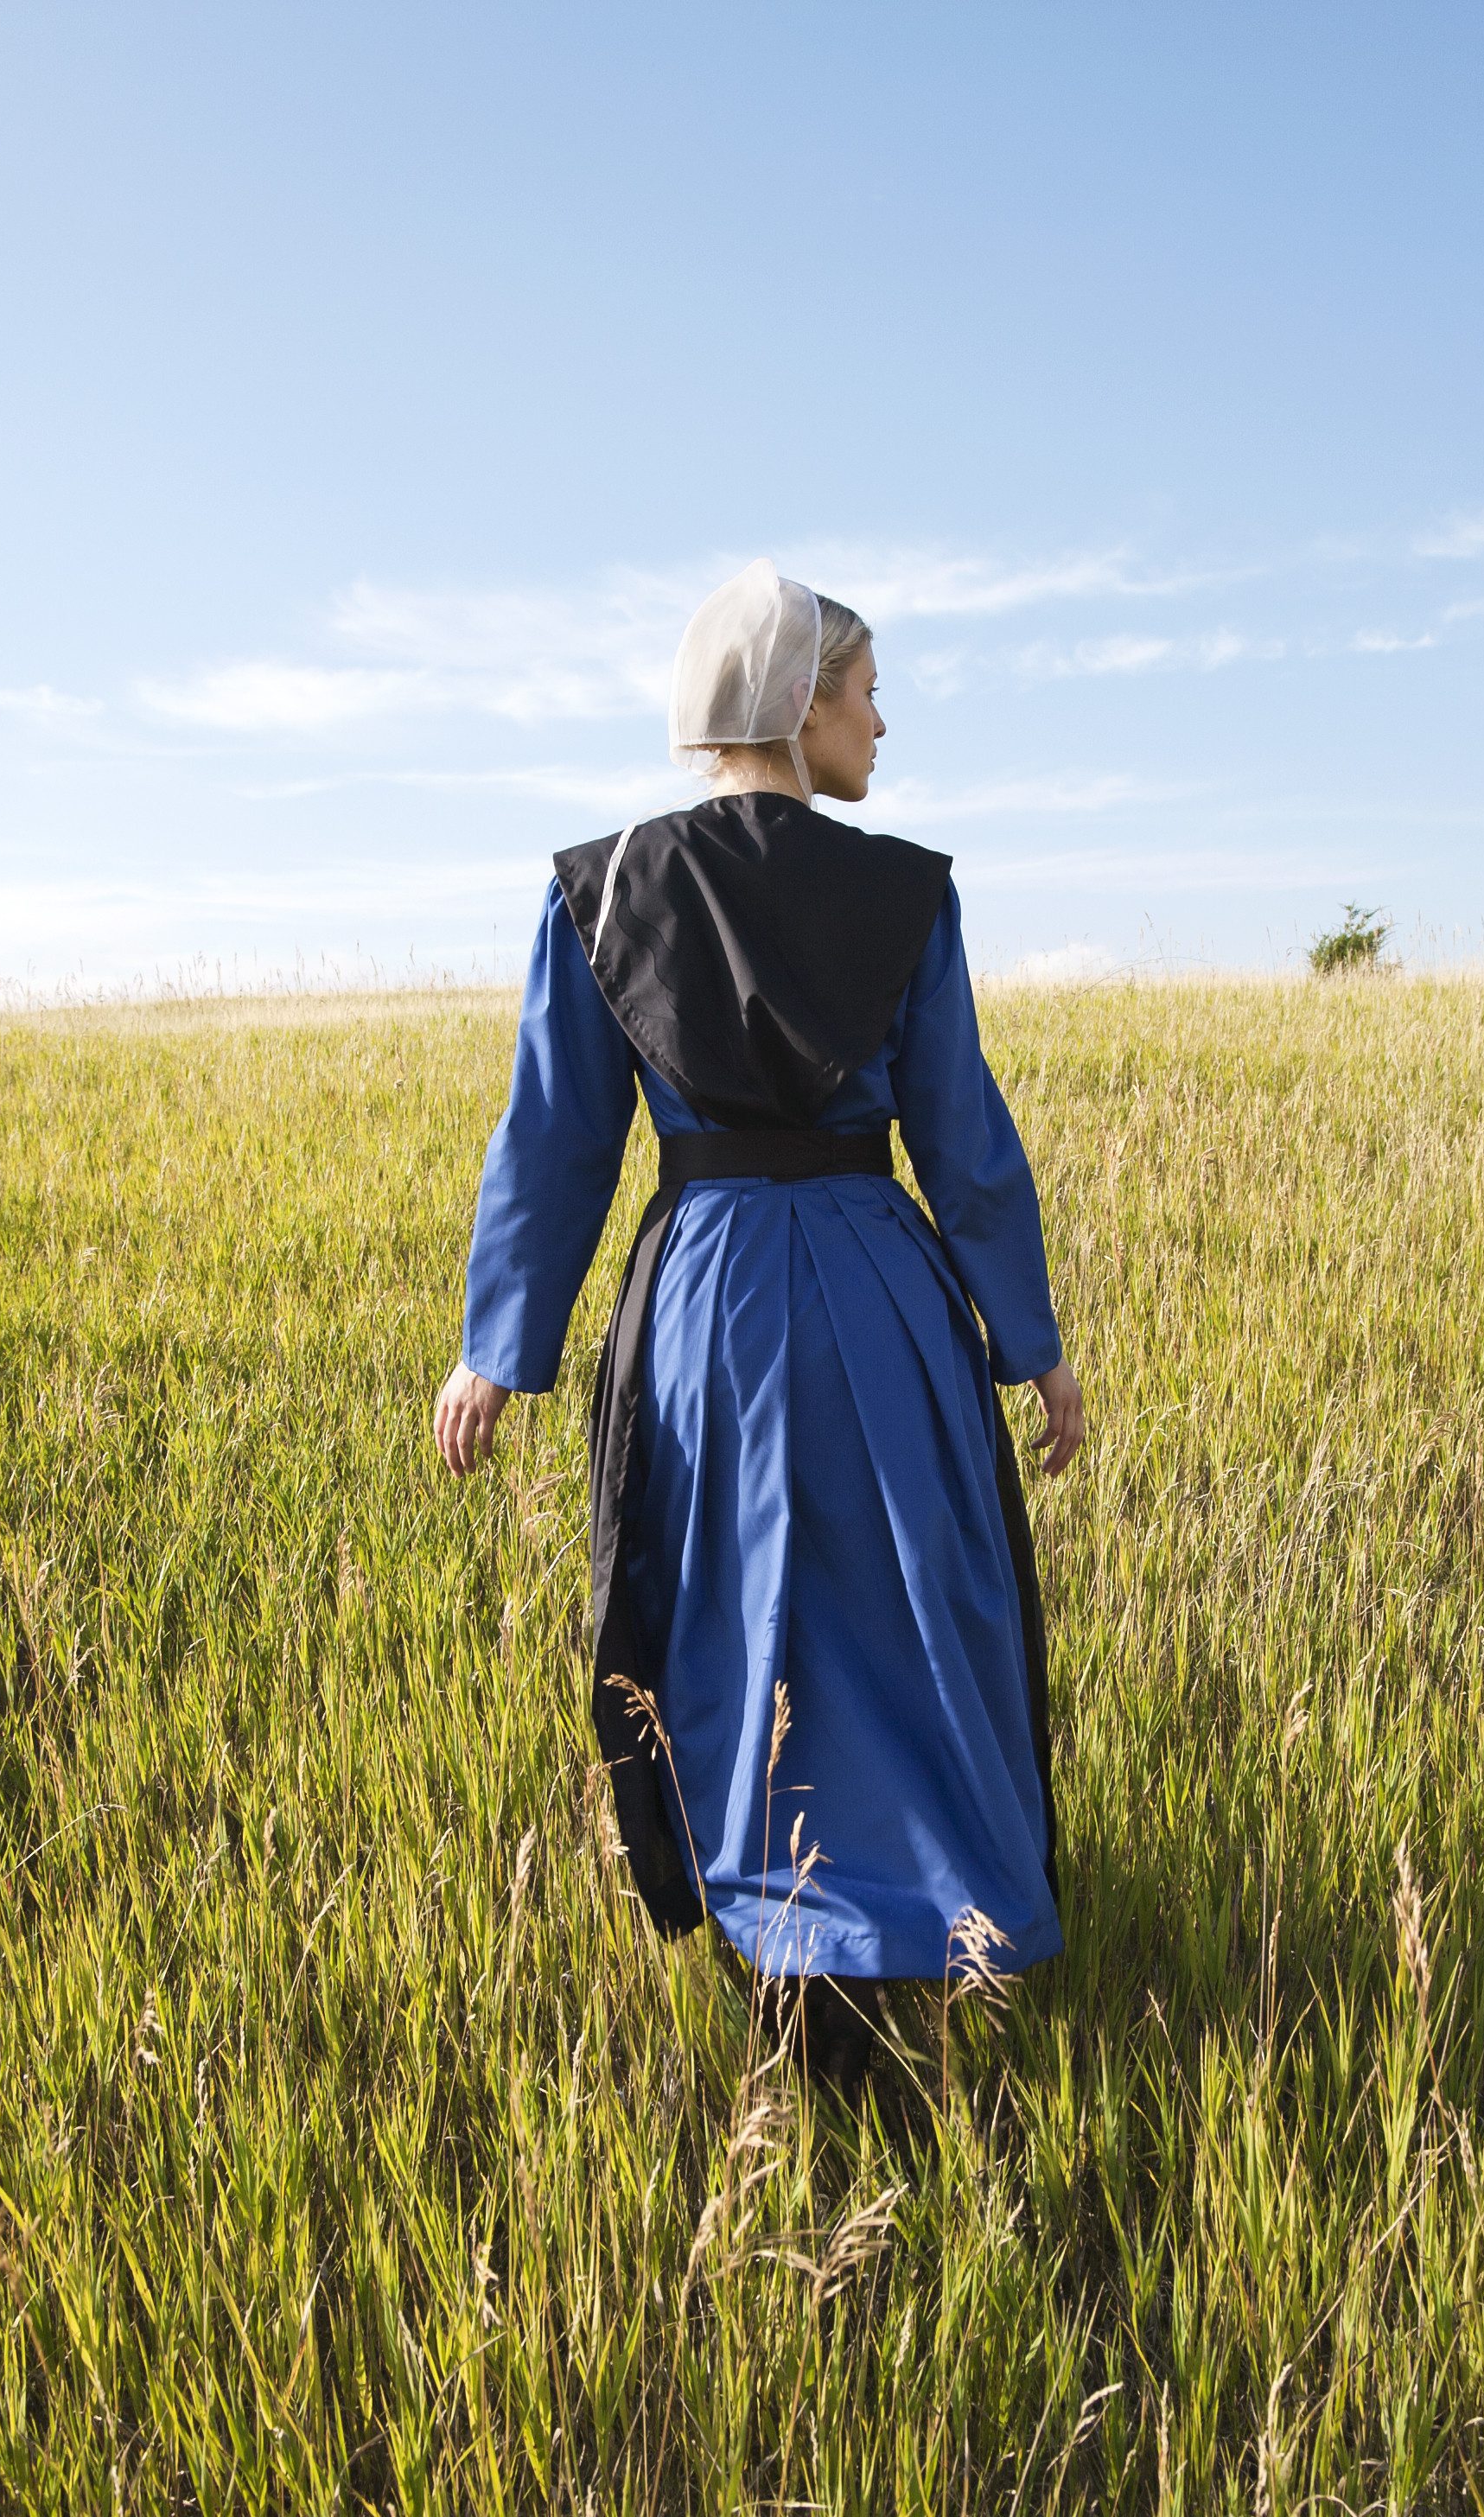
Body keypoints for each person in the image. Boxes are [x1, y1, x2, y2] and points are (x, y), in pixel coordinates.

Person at [432, 560, 1088, 2089]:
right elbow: (964, 1140)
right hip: (881, 1290)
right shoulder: (908, 892)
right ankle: (927, 1935)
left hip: (707, 1307)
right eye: (866, 693)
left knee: (738, 1616)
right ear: (800, 707)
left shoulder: (601, 889)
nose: (884, 722)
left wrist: (499, 1347)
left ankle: (786, 1949)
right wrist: (1030, 1339)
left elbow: (556, 1139)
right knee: (913, 1621)